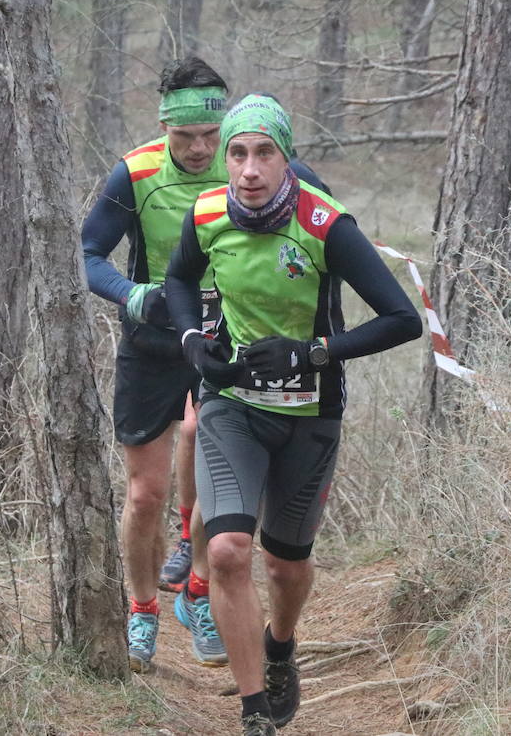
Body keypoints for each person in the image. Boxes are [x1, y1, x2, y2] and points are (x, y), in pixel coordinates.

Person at [165, 95, 422, 735]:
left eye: (264, 153)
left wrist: (315, 351)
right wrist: (195, 342)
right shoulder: (206, 215)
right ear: (226, 160)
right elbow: (176, 283)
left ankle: (281, 646)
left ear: (286, 160)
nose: (249, 170)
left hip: (311, 411)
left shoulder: (325, 223)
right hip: (234, 407)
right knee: (225, 550)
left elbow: (402, 320)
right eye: (238, 153)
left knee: (284, 564)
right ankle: (255, 714)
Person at [81, 56, 231, 672]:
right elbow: (91, 252)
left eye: (208, 136)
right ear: (164, 126)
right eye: (184, 137)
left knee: (213, 475)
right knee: (145, 494)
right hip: (151, 343)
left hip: (224, 343)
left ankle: (196, 593)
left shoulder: (251, 163)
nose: (199, 150)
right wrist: (130, 294)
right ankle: (142, 610)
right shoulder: (136, 173)